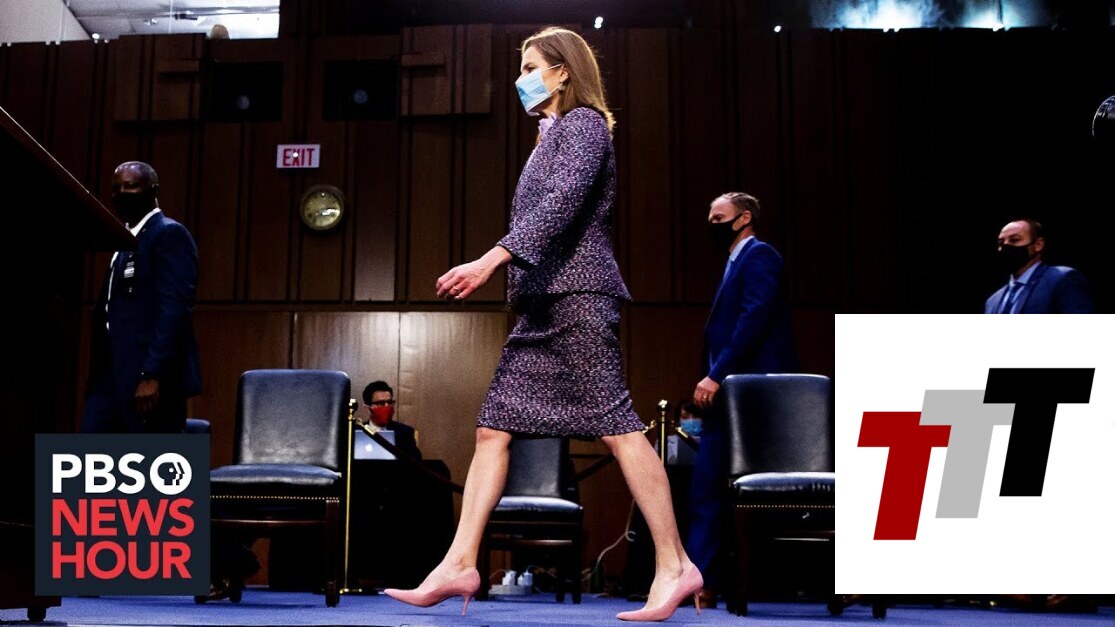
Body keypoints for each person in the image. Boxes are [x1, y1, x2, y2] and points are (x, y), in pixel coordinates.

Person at [384, 27, 701, 622]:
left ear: (563, 71)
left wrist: (489, 261)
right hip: (541, 306)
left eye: (531, 67)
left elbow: (559, 208)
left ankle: (676, 563)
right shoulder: (549, 134)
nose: (521, 78)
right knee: (492, 430)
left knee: (617, 428)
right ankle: (459, 563)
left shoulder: (584, 125)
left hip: (577, 298)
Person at [686, 192, 797, 608]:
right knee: (705, 489)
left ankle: (729, 582)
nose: (711, 224)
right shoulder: (733, 262)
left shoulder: (760, 256)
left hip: (753, 397)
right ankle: (700, 582)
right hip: (727, 398)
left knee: (741, 494)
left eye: (719, 218)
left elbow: (754, 320)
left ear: (744, 218)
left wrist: (715, 374)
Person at [81, 161, 201, 434]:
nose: (122, 194)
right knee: (90, 454)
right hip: (110, 376)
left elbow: (174, 310)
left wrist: (152, 374)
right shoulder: (124, 240)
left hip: (146, 380)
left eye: (131, 186)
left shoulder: (169, 234)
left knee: (152, 458)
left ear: (153, 191)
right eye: (116, 188)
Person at [984, 219, 1093, 314]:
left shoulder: (1061, 279)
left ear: (1038, 244)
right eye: (1001, 243)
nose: (1005, 246)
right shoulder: (992, 301)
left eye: (1014, 240)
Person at [360, 380, 421, 459]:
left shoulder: (405, 433)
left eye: (389, 402)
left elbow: (416, 463)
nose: (387, 406)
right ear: (367, 409)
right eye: (381, 403)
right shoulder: (356, 432)